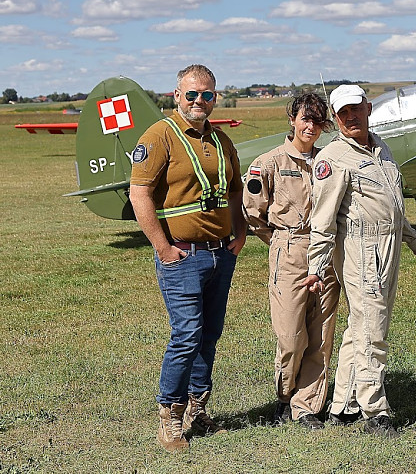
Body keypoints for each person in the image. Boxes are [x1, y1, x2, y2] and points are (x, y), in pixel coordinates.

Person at [303, 84, 416, 438]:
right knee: (372, 330)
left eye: (355, 109)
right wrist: (316, 267)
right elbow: (322, 220)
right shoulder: (333, 158)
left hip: (388, 246)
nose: (350, 117)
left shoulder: (380, 148)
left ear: (368, 108)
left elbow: (391, 204)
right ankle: (375, 412)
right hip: (362, 251)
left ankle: (343, 405)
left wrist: (412, 238)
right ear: (335, 118)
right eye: (342, 113)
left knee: (360, 326)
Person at [129, 64, 247, 452]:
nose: (200, 101)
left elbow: (234, 190)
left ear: (215, 98)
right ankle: (170, 416)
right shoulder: (159, 135)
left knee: (209, 335)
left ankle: (198, 409)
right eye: (192, 94)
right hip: (182, 256)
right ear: (177, 96)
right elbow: (139, 193)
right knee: (186, 335)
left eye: (207, 94)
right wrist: (163, 248)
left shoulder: (221, 139)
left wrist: (240, 231)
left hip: (220, 254)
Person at [243, 92, 340, 430]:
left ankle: (307, 406)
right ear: (293, 120)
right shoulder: (269, 162)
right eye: (305, 119)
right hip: (289, 250)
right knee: (290, 335)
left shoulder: (329, 162)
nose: (311, 127)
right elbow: (253, 213)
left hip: (326, 251)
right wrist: (281, 243)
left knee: (321, 335)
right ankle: (284, 396)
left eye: (317, 121)